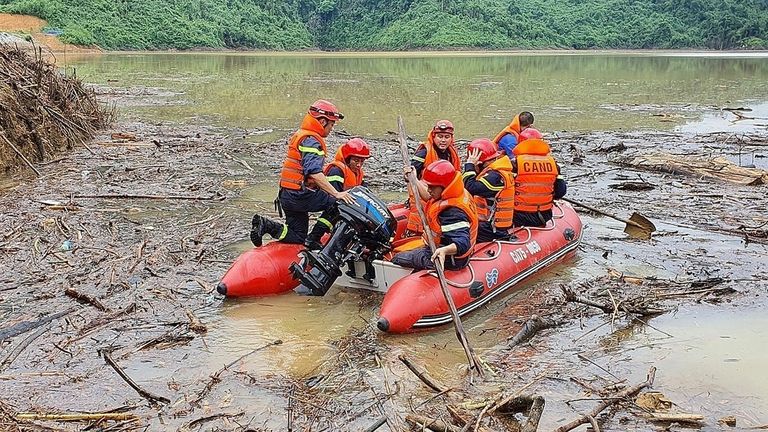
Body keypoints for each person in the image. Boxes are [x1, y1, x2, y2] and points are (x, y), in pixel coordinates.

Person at [250, 99, 355, 248]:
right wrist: (337, 194)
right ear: (323, 121)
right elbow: (314, 172)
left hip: (286, 195)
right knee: (338, 204)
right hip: (299, 195)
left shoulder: (303, 135)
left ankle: (266, 225)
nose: (332, 129)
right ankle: (315, 238)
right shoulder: (311, 141)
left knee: (298, 236)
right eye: (331, 124)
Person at [392, 160, 478, 271]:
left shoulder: (452, 212)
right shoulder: (454, 191)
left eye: (431, 187)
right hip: (438, 246)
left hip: (449, 258)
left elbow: (462, 243)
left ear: (443, 186)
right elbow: (428, 196)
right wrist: (414, 180)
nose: (429, 190)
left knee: (397, 258)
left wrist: (444, 251)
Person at [304, 138, 371, 248]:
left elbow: (363, 189)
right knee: (333, 210)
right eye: (356, 161)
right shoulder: (337, 170)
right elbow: (333, 194)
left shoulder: (357, 173)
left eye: (361, 162)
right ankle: (313, 237)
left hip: (347, 202)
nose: (359, 165)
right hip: (331, 202)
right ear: (348, 158)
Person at [405, 120, 461, 236]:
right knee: (421, 226)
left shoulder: (451, 153)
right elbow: (410, 174)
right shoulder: (424, 153)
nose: (443, 140)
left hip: (442, 194)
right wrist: (408, 175)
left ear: (451, 138)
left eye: (446, 137)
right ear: (433, 136)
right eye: (440, 137)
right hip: (425, 192)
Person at [462, 138, 515, 242]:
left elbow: (470, 187)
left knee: (456, 234)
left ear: (480, 162)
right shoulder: (498, 171)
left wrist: (469, 165)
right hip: (492, 224)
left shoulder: (495, 176)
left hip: (492, 229)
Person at [510, 137, 567, 227]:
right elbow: (561, 192)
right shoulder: (554, 164)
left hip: (518, 216)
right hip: (545, 215)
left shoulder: (514, 164)